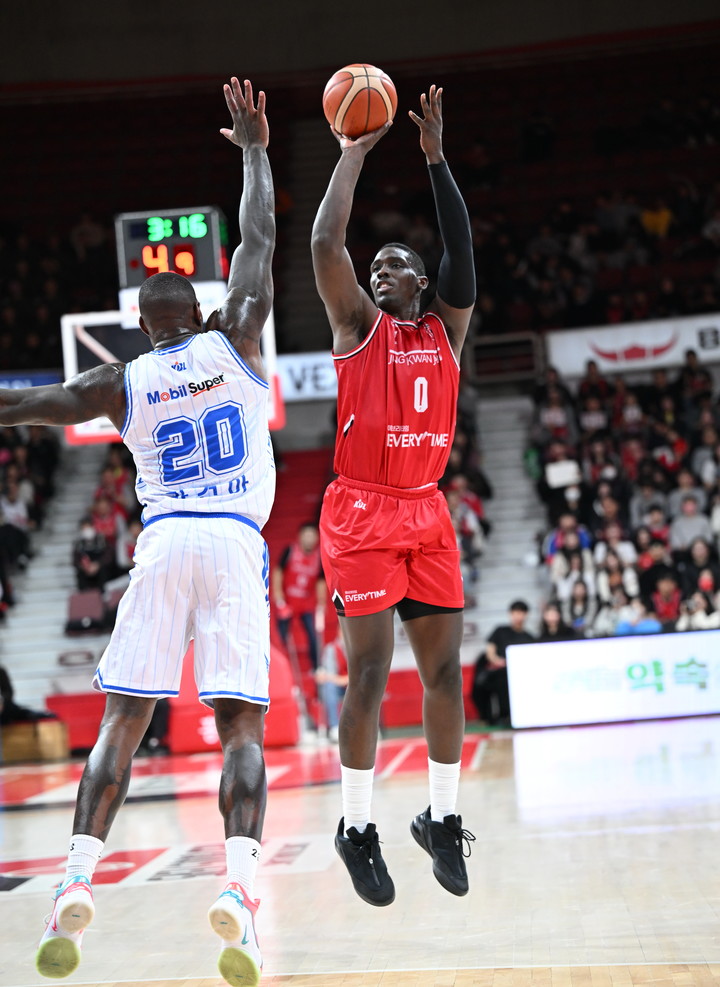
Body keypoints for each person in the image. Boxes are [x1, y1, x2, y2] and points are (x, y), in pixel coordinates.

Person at [3, 79, 275, 987]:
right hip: (232, 541)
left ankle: (75, 882)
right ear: (196, 311)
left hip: (161, 545)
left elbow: (30, 405)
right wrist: (253, 150)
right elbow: (260, 241)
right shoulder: (236, 335)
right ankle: (239, 893)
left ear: (138, 324)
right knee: (240, 728)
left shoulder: (117, 382)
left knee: (123, 720)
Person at [311, 84, 476, 906]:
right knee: (371, 674)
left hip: (426, 508)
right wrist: (351, 154)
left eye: (395, 264)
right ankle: (356, 826)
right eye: (374, 266)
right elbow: (325, 241)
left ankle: (442, 818)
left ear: (421, 281)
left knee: (445, 674)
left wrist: (437, 159)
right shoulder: (355, 327)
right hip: (362, 510)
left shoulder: (446, 329)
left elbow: (462, 251)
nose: (380, 271)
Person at [271, 521, 325, 670]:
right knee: (281, 637)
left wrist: (321, 604)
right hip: (287, 602)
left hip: (306, 604)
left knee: (313, 636)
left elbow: (321, 581)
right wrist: (279, 598)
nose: (309, 539)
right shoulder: (290, 551)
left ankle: (316, 668)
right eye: (306, 535)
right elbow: (278, 572)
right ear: (300, 536)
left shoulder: (319, 557)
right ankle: (280, 668)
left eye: (312, 536)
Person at [472, 600, 535, 725]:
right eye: (515, 612)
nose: (517, 616)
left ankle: (508, 715)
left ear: (526, 614)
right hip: (498, 670)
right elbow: (490, 651)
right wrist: (497, 661)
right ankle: (491, 717)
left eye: (520, 613)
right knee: (494, 680)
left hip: (518, 673)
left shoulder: (529, 638)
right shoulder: (500, 631)